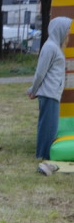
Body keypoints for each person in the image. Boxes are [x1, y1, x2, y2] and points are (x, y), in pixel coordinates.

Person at [28, 16, 72, 167]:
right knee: (48, 126)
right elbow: (40, 73)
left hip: (52, 93)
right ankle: (42, 155)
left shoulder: (54, 47)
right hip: (49, 93)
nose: (68, 33)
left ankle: (44, 154)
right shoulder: (50, 47)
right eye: (67, 30)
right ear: (59, 30)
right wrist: (33, 91)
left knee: (50, 126)